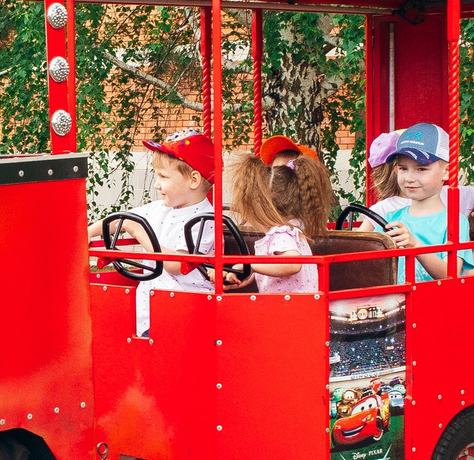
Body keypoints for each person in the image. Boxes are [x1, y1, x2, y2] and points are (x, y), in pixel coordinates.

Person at [101, 130, 220, 335]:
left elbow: (177, 265)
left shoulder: (206, 220)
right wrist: (82, 235)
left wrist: (140, 233)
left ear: (193, 180)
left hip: (184, 316)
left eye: (163, 176)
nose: (156, 184)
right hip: (150, 313)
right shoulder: (159, 208)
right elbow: (118, 219)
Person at [364, 123, 472, 281]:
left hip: (433, 303)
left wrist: (414, 245)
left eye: (421, 169)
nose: (409, 178)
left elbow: (450, 274)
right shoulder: (390, 217)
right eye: (403, 168)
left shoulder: (455, 222)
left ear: (447, 171)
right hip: (396, 303)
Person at [224, 148, 317, 294]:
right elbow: (274, 265)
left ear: (262, 207)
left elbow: (292, 264)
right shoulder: (291, 229)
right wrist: (249, 273)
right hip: (292, 305)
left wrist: (251, 264)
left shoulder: (281, 234)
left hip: (290, 309)